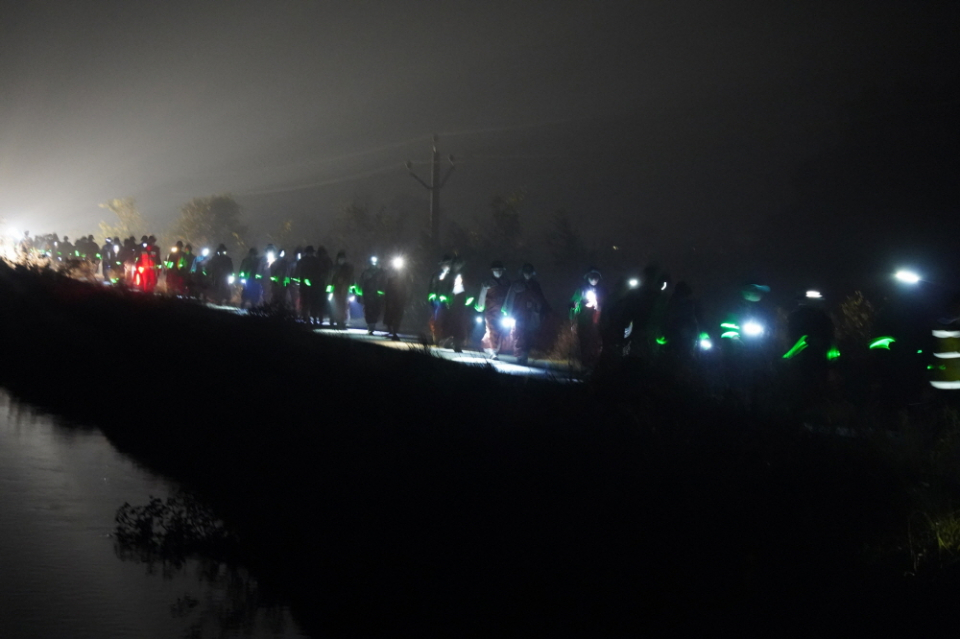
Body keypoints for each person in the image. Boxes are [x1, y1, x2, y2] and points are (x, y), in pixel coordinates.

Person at [502, 263, 549, 366]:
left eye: (529, 272)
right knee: (518, 334)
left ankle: (525, 355)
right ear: (522, 273)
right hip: (518, 313)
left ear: (532, 274)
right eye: (526, 272)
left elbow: (540, 300)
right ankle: (519, 356)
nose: (527, 274)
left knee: (528, 335)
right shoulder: (516, 285)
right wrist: (507, 312)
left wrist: (542, 310)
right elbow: (510, 298)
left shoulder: (535, 286)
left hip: (530, 315)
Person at [570, 268, 606, 370]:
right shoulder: (581, 289)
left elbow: (607, 304)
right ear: (587, 278)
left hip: (598, 321)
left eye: (596, 277)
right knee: (584, 341)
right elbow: (572, 303)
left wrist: (599, 306)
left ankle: (594, 364)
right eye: (592, 277)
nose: (594, 279)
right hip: (584, 320)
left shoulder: (602, 290)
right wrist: (576, 305)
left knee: (596, 343)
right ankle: (585, 363)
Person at [477, 260, 511, 359]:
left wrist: (509, 309)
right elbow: (482, 296)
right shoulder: (487, 283)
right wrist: (480, 306)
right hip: (490, 311)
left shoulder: (507, 283)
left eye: (500, 270)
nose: (498, 272)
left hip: (502, 312)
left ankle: (493, 349)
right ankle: (492, 351)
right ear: (492, 271)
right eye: (496, 270)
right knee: (492, 330)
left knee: (500, 331)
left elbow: (510, 297)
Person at [427, 255, 454, 345]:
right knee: (436, 320)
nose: (447, 266)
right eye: (446, 264)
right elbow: (431, 288)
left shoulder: (452, 276)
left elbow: (452, 289)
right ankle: (436, 337)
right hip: (436, 302)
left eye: (449, 264)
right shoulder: (436, 274)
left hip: (446, 303)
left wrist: (448, 300)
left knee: (445, 321)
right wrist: (432, 298)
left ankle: (443, 338)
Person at [296, 246, 324, 324]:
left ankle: (313, 317)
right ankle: (306, 316)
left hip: (314, 285)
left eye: (311, 252)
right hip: (305, 286)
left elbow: (320, 273)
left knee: (313, 302)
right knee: (306, 302)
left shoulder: (315, 261)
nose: (310, 254)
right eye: (309, 252)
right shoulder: (303, 261)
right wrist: (304, 279)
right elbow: (298, 272)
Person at [383, 257, 409, 341]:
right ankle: (391, 330)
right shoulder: (390, 279)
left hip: (399, 301)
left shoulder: (405, 280)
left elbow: (407, 289)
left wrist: (406, 299)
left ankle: (394, 332)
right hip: (392, 301)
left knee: (397, 317)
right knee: (391, 316)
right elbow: (387, 289)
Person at [359, 256, 386, 334]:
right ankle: (370, 326)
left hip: (376, 296)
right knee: (368, 311)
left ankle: (372, 325)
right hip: (367, 295)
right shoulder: (366, 273)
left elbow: (383, 284)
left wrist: (382, 294)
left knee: (376, 311)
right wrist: (359, 295)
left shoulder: (381, 273)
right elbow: (361, 284)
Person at [329, 250, 354, 329]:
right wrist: (329, 290)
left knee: (344, 307)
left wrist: (352, 290)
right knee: (337, 307)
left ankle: (342, 322)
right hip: (336, 290)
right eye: (340, 258)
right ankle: (338, 321)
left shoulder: (348, 268)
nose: (341, 260)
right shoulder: (334, 268)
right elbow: (330, 279)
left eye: (343, 258)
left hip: (344, 290)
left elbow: (351, 279)